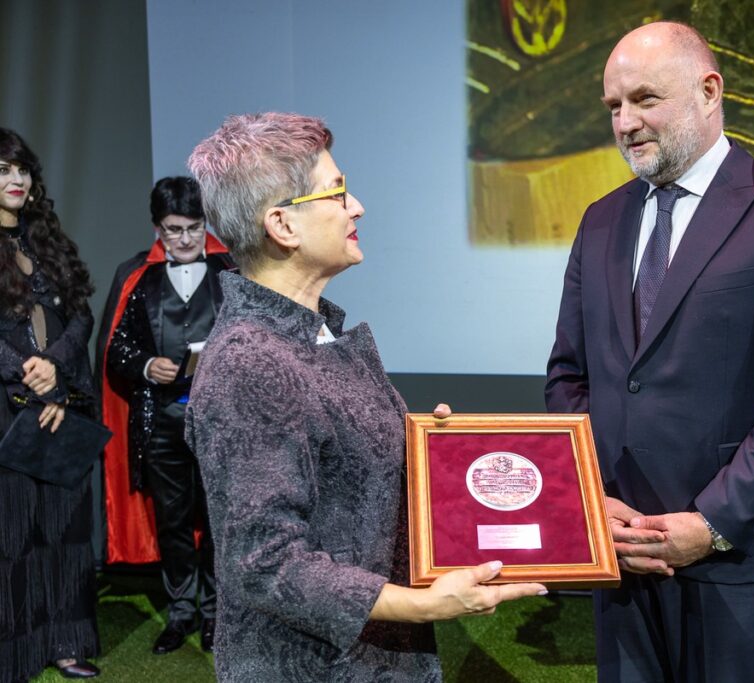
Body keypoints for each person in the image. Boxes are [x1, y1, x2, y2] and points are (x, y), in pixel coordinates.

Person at [545, 22, 754, 682]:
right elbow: (569, 373)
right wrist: (593, 498)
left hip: (732, 554)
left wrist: (711, 521)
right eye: (613, 107)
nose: (625, 122)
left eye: (644, 99)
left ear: (709, 90)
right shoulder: (600, 218)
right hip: (620, 546)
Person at [184, 112, 546, 682]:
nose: (357, 208)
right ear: (282, 225)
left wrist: (435, 454)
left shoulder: (309, 334)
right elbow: (265, 563)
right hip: (314, 666)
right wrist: (423, 604)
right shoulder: (249, 361)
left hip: (371, 657)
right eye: (338, 191)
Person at [98, 177, 232, 654]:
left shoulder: (232, 274)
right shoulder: (138, 277)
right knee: (173, 521)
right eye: (174, 229)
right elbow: (115, 349)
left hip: (222, 423)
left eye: (195, 228)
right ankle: (181, 614)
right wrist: (145, 365)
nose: (186, 239)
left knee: (219, 521)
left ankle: (218, 615)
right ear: (157, 228)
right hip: (159, 423)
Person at [0, 127, 100, 680]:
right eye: (3, 170)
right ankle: (16, 651)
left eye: (21, 170)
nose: (15, 179)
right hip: (7, 407)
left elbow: (81, 314)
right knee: (12, 536)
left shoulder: (48, 239)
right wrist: (25, 370)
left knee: (65, 531)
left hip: (59, 401)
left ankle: (66, 642)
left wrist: (55, 370)